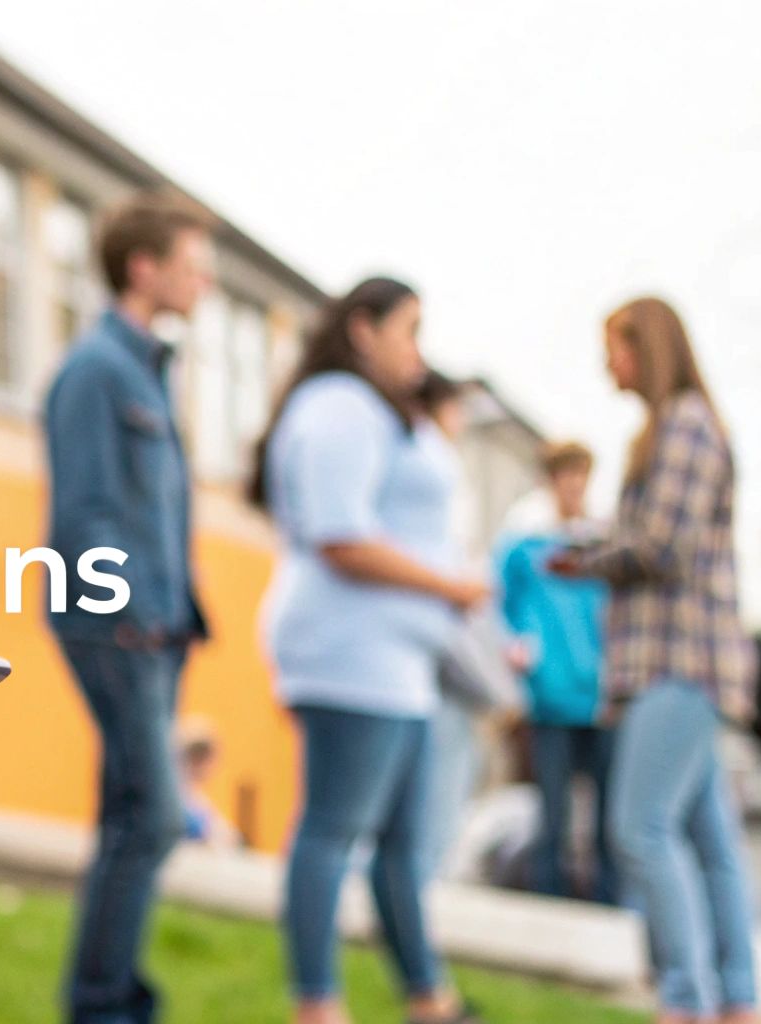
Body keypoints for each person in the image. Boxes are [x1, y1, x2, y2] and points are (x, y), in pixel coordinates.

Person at [248, 278, 488, 1024]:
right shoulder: (339, 408)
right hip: (350, 656)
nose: (419, 350)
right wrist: (449, 586)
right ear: (362, 329)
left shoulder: (374, 413)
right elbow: (341, 536)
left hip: (401, 663)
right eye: (409, 329)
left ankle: (430, 998)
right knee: (329, 832)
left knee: (402, 845)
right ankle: (316, 1007)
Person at [551, 297, 759, 1024]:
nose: (607, 362)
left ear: (649, 347)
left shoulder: (686, 428)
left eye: (615, 346)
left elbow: (660, 547)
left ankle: (686, 999)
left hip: (680, 663)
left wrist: (584, 561)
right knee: (707, 839)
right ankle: (736, 999)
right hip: (677, 665)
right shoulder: (671, 431)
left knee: (639, 828)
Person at [42, 189, 215, 1024]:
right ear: (144, 268)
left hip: (156, 625)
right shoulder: (95, 371)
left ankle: (105, 999)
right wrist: (138, 610)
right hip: (117, 623)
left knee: (130, 819)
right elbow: (84, 513)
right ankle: (107, 1005)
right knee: (154, 818)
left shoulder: (146, 367)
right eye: (193, 264)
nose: (205, 282)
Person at [497, 441, 616, 903]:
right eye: (565, 477)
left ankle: (607, 905)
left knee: (608, 817)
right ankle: (548, 906)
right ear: (551, 482)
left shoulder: (604, 546)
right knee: (552, 814)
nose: (574, 487)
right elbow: (500, 610)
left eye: (581, 477)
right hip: (549, 698)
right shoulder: (524, 549)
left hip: (602, 699)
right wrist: (519, 655)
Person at [417, 370, 519, 875]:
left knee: (443, 801)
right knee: (431, 806)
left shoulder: (443, 482)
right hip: (437, 676)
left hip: (447, 679)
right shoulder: (421, 471)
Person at [176, 717, 241, 850]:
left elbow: (228, 834)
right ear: (198, 760)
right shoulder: (180, 795)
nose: (215, 769)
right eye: (212, 762)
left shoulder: (194, 795)